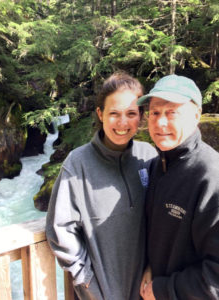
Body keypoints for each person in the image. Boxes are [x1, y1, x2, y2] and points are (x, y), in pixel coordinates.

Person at [46, 72, 157, 300]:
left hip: (148, 291)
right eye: (114, 113)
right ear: (100, 114)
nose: (122, 122)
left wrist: (155, 270)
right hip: (100, 293)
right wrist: (86, 281)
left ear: (141, 116)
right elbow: (60, 230)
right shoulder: (78, 163)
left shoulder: (149, 157)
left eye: (131, 113)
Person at [138, 74, 219, 300]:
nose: (160, 123)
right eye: (154, 112)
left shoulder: (210, 176)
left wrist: (163, 289)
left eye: (171, 112)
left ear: (196, 116)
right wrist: (151, 267)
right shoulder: (157, 166)